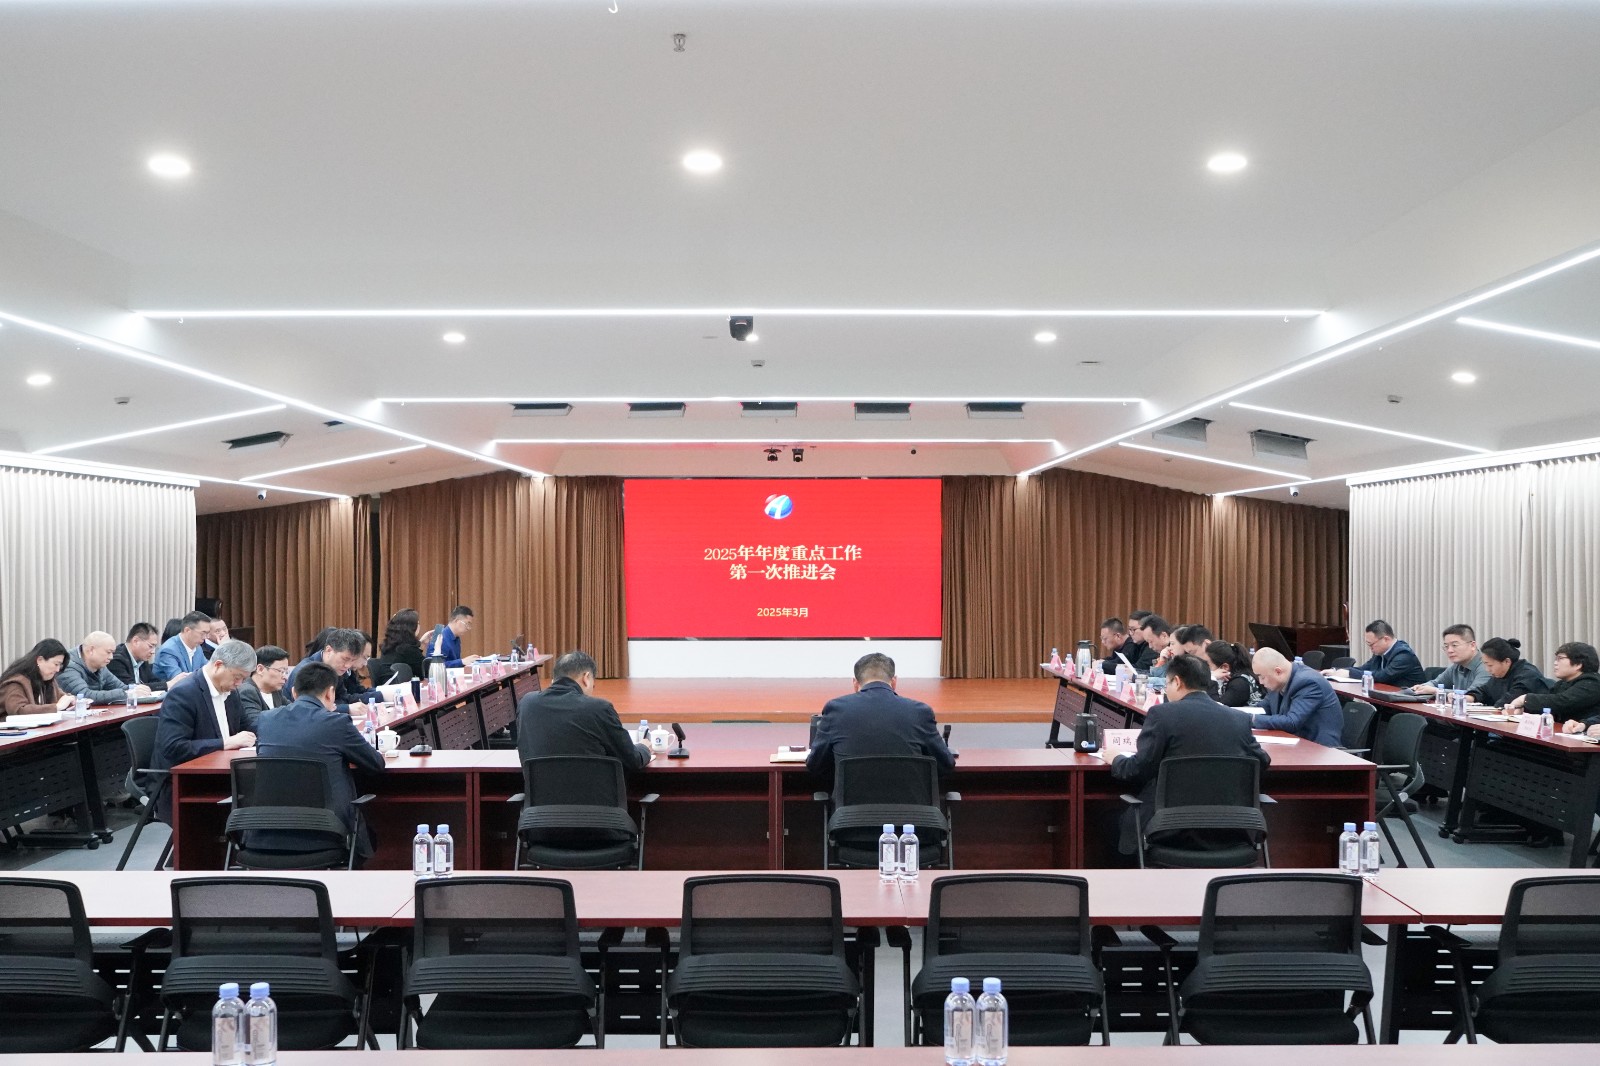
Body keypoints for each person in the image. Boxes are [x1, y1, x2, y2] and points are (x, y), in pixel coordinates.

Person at [1106, 652, 1270, 855]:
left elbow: (1139, 769)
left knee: (1109, 819)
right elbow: (1262, 762)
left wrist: (1116, 758)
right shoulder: (1238, 719)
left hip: (1169, 828)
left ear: (1177, 682)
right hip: (1231, 829)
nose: (1166, 690)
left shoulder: (1162, 715)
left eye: (1166, 683)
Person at [253, 660, 387, 860]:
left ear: (294, 693)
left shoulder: (266, 719)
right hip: (326, 833)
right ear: (330, 693)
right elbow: (376, 764)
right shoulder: (337, 723)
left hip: (265, 835)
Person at [146, 640, 257, 822]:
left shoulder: (231, 692)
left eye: (244, 679)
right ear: (218, 665)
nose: (239, 683)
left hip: (220, 773)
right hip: (182, 782)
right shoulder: (184, 693)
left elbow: (248, 728)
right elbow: (173, 747)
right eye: (237, 677)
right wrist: (225, 743)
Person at [806, 652, 955, 786]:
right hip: (911, 807)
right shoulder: (920, 712)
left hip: (851, 807)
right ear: (894, 682)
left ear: (855, 684)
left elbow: (816, 765)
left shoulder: (836, 710)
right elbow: (945, 764)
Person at [516, 650, 650, 769]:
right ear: (586, 678)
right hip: (594, 790)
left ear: (553, 680)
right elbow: (632, 760)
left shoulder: (527, 704)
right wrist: (644, 747)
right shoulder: (599, 708)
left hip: (541, 790)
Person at [1251, 647, 1343, 746]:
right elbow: (1263, 709)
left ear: (1278, 672)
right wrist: (1240, 715)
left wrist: (1250, 719)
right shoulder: (1277, 682)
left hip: (1319, 749)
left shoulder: (1308, 682)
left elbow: (1292, 722)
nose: (1260, 682)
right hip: (1293, 743)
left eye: (1262, 677)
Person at [1508, 642, 1600, 726]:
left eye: (1560, 659)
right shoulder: (1562, 684)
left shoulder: (1592, 682)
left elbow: (1562, 702)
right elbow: (1549, 705)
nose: (1555, 663)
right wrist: (1523, 710)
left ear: (1578, 664)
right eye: (1556, 659)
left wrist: (1525, 699)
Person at [288, 627, 375, 709]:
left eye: (353, 660)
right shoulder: (306, 671)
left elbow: (343, 698)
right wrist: (346, 708)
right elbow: (308, 708)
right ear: (329, 650)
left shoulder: (335, 668)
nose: (348, 665)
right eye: (345, 659)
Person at [59, 630, 148, 705]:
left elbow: (120, 687)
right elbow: (84, 696)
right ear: (91, 650)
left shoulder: (100, 665)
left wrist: (135, 689)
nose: (111, 657)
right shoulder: (68, 666)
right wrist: (127, 693)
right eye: (108, 652)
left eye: (112, 653)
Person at [0, 639, 76, 719]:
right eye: (56, 664)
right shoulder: (16, 682)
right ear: (40, 660)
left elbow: (61, 698)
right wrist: (57, 707)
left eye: (60, 665)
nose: (57, 670)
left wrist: (71, 701)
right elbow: (19, 710)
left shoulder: (47, 679)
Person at [1341, 620, 1427, 687]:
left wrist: (1350, 673)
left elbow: (1383, 676)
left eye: (1371, 644)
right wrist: (1342, 670)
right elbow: (1365, 668)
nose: (1370, 648)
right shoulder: (1380, 653)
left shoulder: (1404, 654)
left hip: (1410, 701)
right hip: (1389, 698)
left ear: (1386, 639)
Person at [1467, 638, 1551, 707]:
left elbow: (1508, 702)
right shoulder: (1499, 675)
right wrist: (1469, 698)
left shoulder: (1528, 675)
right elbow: (1484, 691)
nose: (1487, 669)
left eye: (1490, 665)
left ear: (1507, 661)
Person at [1416, 624, 1490, 696]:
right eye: (1446, 646)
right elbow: (1436, 683)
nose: (1449, 650)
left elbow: (1474, 694)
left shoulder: (1486, 665)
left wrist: (1436, 691)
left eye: (1454, 645)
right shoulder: (1456, 666)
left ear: (1472, 645)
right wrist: (1421, 687)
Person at [236, 645, 292, 730]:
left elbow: (293, 712)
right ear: (260, 669)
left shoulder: (275, 691)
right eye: (281, 671)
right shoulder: (247, 691)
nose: (285, 677)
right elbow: (256, 725)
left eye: (286, 672)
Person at [370, 608, 426, 686]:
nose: (419, 626)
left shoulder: (389, 645)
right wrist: (437, 649)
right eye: (418, 623)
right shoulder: (408, 649)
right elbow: (424, 672)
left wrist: (421, 644)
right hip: (397, 688)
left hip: (386, 686)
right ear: (411, 627)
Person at [108, 622, 169, 692]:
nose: (153, 652)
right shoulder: (116, 659)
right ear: (135, 641)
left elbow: (153, 681)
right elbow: (130, 687)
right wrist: (167, 685)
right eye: (150, 646)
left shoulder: (141, 658)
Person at [154, 611, 211, 682]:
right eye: (203, 633)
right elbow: (179, 679)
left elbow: (208, 669)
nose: (206, 637)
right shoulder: (168, 650)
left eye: (207, 633)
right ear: (187, 630)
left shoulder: (197, 647)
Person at [1205, 640, 1261, 707]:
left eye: (1207, 665)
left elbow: (1215, 708)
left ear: (1225, 667)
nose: (1205, 668)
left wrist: (1212, 678)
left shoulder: (1239, 683)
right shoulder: (1231, 678)